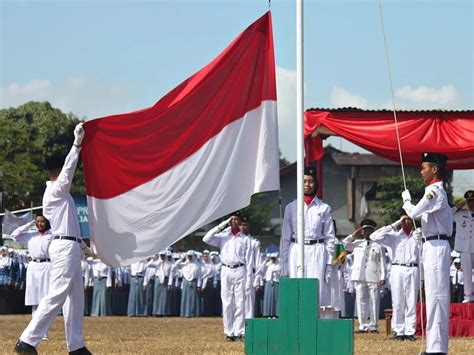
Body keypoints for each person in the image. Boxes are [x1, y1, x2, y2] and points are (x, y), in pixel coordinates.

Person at [15, 122, 93, 355]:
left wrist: (83, 246)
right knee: (58, 294)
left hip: (70, 244)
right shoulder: (56, 190)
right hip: (63, 246)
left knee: (75, 299)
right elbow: (69, 172)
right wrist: (76, 145)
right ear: (57, 172)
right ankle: (27, 341)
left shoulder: (60, 194)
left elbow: (68, 226)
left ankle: (76, 345)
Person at [402, 152, 452, 355]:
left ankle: (438, 348)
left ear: (434, 169)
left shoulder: (434, 191)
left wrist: (406, 201)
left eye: (424, 167)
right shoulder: (432, 191)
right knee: (432, 296)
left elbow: (414, 213)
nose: (421, 171)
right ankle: (433, 345)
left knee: (437, 297)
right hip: (431, 244)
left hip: (437, 246)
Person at [280, 167, 336, 308]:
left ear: (315, 183)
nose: (307, 185)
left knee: (316, 289)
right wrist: (284, 263)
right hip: (296, 248)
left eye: (311, 181)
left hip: (317, 249)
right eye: (304, 181)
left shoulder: (324, 208)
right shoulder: (291, 207)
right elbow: (285, 237)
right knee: (296, 287)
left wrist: (329, 264)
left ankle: (313, 323)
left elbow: (330, 237)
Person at [203, 212, 252, 341]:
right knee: (227, 302)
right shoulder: (223, 236)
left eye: (237, 219)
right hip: (226, 269)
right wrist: (223, 224)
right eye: (232, 219)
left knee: (240, 302)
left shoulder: (245, 239)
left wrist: (248, 279)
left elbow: (249, 261)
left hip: (240, 269)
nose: (234, 221)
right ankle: (229, 332)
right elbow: (206, 238)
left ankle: (239, 331)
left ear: (241, 222)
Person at [369, 215, 420, 341]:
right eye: (404, 219)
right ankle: (399, 331)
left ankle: (410, 331)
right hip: (397, 268)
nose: (407, 221)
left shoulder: (418, 236)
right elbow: (374, 236)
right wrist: (395, 224)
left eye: (409, 219)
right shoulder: (394, 236)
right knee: (397, 301)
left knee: (411, 301)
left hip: (413, 268)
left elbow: (422, 256)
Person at [10, 216, 54, 338]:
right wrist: (29, 224)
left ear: (46, 222)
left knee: (44, 299)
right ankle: (36, 332)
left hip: (47, 265)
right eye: (38, 221)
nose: (40, 224)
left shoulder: (52, 235)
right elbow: (14, 235)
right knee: (34, 300)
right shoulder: (30, 235)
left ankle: (44, 332)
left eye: (42, 221)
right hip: (33, 267)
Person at [343, 219, 386, 333]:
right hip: (359, 276)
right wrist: (354, 235)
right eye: (365, 230)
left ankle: (373, 325)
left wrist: (383, 276)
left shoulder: (379, 245)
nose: (367, 232)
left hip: (373, 275)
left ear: (373, 231)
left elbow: (382, 261)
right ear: (362, 231)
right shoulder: (357, 244)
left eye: (369, 230)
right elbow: (343, 245)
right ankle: (363, 325)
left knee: (374, 301)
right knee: (361, 300)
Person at [452, 190, 474, 303]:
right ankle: (468, 296)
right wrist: (458, 206)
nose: (471, 204)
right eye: (469, 201)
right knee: (466, 272)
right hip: (465, 247)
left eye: (473, 201)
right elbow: (448, 215)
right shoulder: (460, 213)